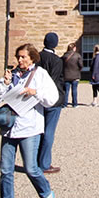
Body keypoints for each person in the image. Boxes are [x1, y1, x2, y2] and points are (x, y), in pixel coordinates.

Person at [0, 44, 59, 198]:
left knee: (31, 169)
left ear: (32, 58)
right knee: (5, 170)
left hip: (30, 128)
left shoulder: (41, 75)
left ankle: (46, 194)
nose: (19, 60)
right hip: (9, 129)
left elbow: (52, 98)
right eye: (18, 57)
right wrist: (3, 84)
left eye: (23, 57)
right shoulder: (11, 75)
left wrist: (36, 92)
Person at [36, 32, 65, 174]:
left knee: (38, 130)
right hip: (53, 100)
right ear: (55, 44)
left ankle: (34, 162)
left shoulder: (37, 58)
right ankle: (44, 164)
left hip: (37, 99)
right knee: (49, 132)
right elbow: (54, 82)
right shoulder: (56, 60)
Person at [62, 42, 82, 108]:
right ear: (74, 48)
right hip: (75, 75)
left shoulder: (64, 56)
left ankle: (65, 104)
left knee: (66, 91)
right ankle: (75, 104)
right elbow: (81, 65)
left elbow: (61, 65)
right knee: (74, 90)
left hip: (66, 75)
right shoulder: (78, 55)